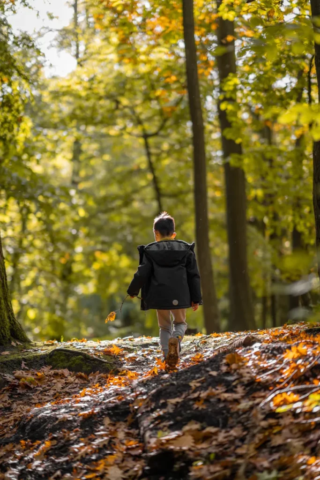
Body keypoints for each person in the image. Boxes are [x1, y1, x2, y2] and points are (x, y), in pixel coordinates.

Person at [127, 212, 202, 368]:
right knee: (180, 323)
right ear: (173, 234)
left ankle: (167, 354)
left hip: (159, 295)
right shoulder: (186, 249)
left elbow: (142, 273)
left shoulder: (150, 251)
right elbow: (193, 276)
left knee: (164, 327)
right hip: (180, 295)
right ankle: (176, 338)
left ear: (156, 234)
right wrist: (196, 298)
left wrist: (133, 291)